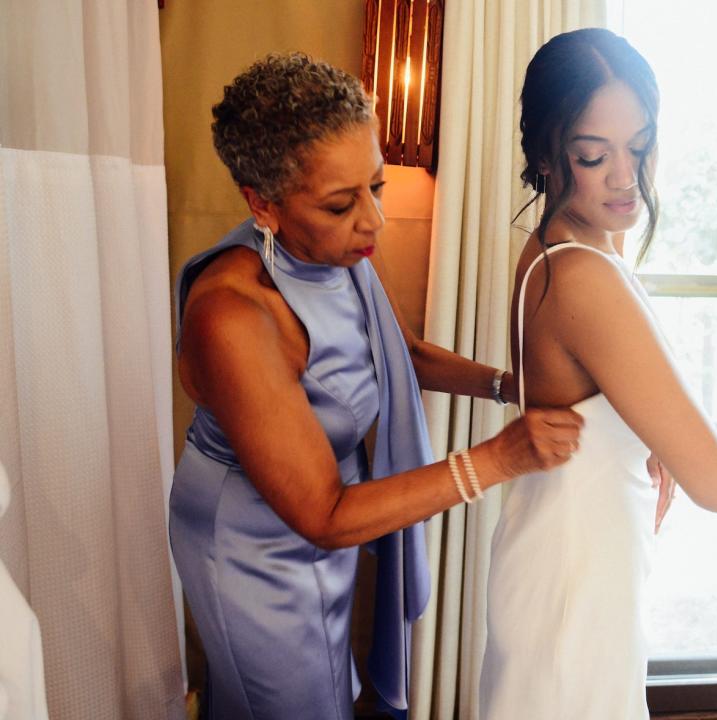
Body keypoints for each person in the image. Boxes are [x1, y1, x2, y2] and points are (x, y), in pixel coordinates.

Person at [168, 52, 584, 720]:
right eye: (340, 203)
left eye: (377, 187)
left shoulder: (337, 248)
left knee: (322, 692)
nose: (373, 221)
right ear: (261, 205)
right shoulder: (232, 313)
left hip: (325, 515)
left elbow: (399, 353)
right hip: (253, 545)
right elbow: (326, 516)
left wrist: (512, 386)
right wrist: (499, 458)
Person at [479, 29, 717, 719]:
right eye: (594, 156)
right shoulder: (583, 276)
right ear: (544, 154)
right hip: (575, 581)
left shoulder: (554, 248)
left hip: (565, 557)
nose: (626, 177)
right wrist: (666, 433)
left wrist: (645, 424)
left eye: (641, 144)